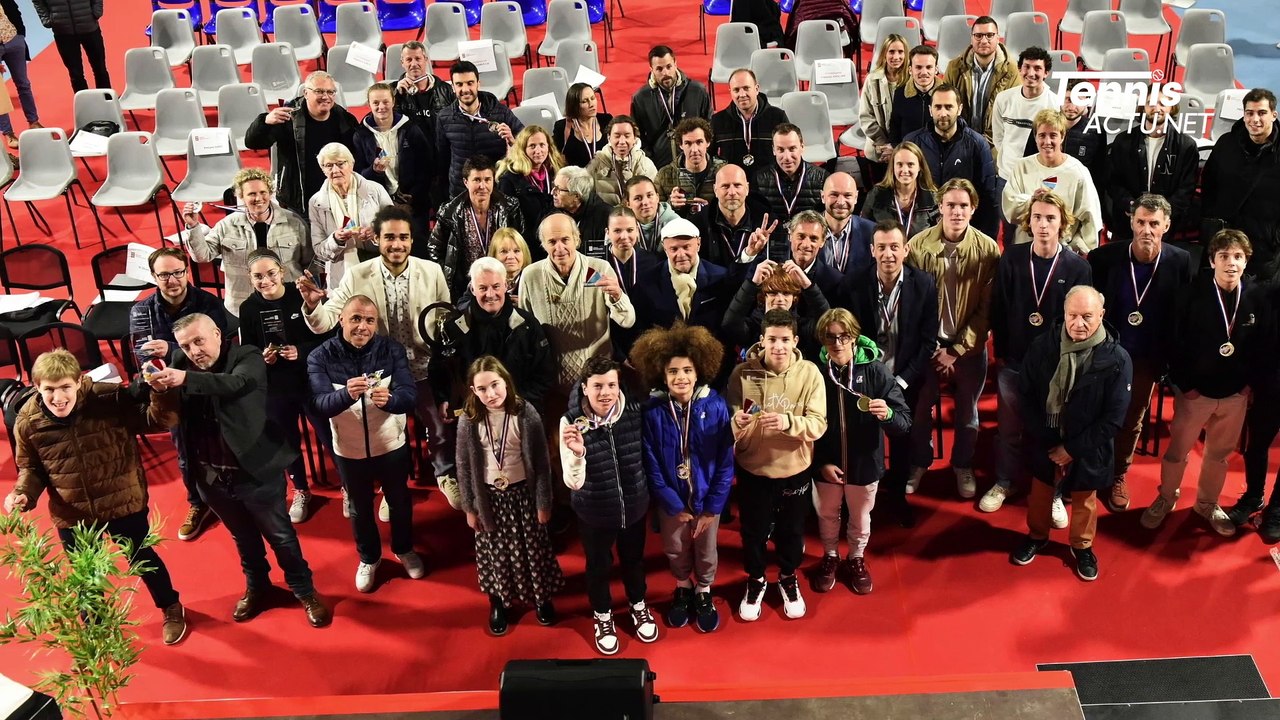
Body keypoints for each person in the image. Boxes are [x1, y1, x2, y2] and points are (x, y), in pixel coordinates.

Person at [145, 314, 330, 627]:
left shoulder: (247, 356)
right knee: (243, 539)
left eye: (199, 340)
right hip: (210, 478)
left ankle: (305, 591)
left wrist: (185, 379)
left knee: (282, 539)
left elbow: (235, 384)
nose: (193, 351)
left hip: (257, 473)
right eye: (186, 346)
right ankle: (258, 587)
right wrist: (152, 384)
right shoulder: (178, 362)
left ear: (218, 334)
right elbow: (154, 404)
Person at [6, 349, 185, 644]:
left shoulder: (108, 398)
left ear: (79, 381)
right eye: (49, 389)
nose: (58, 397)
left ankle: (171, 607)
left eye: (65, 386)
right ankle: (97, 630)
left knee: (141, 557)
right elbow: (32, 467)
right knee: (84, 576)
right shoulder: (27, 422)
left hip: (121, 500)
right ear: (36, 387)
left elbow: (160, 421)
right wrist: (23, 493)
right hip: (72, 511)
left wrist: (161, 392)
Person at [300, 205, 454, 489]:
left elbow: (444, 320)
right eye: (390, 237)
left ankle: (444, 475)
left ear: (411, 240)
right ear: (377, 240)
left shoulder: (432, 271)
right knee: (385, 435)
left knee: (440, 429)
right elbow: (327, 321)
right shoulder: (357, 275)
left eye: (403, 237)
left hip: (423, 368)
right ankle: (390, 485)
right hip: (378, 374)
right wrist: (313, 306)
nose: (397, 244)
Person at [1141, 230, 1273, 537]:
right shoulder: (1189, 295)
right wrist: (1185, 386)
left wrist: (1247, 387)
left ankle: (1207, 503)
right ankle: (1166, 497)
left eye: (1237, 257)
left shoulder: (1256, 295)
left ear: (1246, 261)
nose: (1231, 263)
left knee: (1219, 455)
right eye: (1224, 256)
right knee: (1177, 452)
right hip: (1194, 394)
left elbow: (1262, 345)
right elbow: (1173, 343)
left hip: (1235, 395)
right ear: (1212, 260)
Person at [1011, 286, 1132, 582]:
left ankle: (1082, 546)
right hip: (1045, 437)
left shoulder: (1117, 358)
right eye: (1073, 316)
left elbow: (1114, 418)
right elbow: (1024, 395)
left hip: (1089, 444)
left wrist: (1072, 449)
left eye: (1088, 317)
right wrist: (1046, 437)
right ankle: (1037, 536)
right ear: (1063, 314)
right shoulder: (1043, 347)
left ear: (1101, 315)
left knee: (1085, 500)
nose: (1079, 324)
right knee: (1040, 493)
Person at [308, 295, 425, 592]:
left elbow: (410, 396)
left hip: (390, 445)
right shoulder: (320, 356)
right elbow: (320, 405)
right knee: (360, 508)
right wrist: (345, 395)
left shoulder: (391, 350)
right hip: (349, 450)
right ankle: (369, 558)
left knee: (399, 502)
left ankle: (404, 548)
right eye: (356, 319)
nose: (362, 326)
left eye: (370, 320)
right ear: (341, 320)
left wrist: (392, 401)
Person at [986, 191, 1091, 518]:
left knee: (1052, 432)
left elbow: (1081, 322)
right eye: (1037, 217)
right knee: (1009, 428)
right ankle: (1005, 481)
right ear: (1028, 222)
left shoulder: (1076, 267)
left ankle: (1054, 493)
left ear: (1063, 223)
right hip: (1015, 362)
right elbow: (999, 309)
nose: (1043, 224)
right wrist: (1001, 353)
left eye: (1050, 218)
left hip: (1057, 367)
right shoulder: (1012, 258)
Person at [1087, 194, 1193, 512]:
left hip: (1146, 358)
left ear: (1167, 226)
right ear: (1131, 222)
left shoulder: (1179, 261)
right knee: (1095, 414)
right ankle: (1090, 472)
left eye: (1154, 224)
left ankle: (1118, 473)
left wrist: (1170, 362)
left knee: (1131, 419)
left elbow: (1181, 315)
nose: (1147, 229)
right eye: (1141, 222)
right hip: (1105, 355)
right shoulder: (1103, 258)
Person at [903, 180, 1001, 502]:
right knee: (920, 408)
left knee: (967, 413)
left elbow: (988, 309)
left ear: (973, 209)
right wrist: (932, 346)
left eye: (963, 206)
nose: (956, 211)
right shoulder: (917, 246)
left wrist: (957, 349)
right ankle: (919, 462)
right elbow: (913, 303)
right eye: (951, 205)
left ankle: (962, 465)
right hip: (929, 346)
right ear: (940, 208)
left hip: (968, 347)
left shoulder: (988, 249)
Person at [631, 323, 733, 633]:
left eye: (687, 370)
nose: (681, 377)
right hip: (672, 502)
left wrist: (712, 508)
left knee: (706, 549)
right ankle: (682, 587)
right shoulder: (653, 412)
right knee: (675, 547)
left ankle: (703, 591)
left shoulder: (715, 406)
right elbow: (652, 465)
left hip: (707, 502)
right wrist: (675, 506)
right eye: (673, 371)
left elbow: (725, 463)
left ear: (698, 371)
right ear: (662, 376)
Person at [727, 309, 826, 621]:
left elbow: (818, 424)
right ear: (762, 340)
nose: (778, 346)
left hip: (794, 469)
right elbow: (729, 421)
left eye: (785, 339)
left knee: (793, 531)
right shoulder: (741, 373)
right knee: (753, 531)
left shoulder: (810, 373)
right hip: (753, 470)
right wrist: (736, 422)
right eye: (772, 339)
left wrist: (787, 422)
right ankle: (756, 579)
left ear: (795, 340)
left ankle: (787, 576)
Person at [457, 355, 563, 636]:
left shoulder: (525, 413)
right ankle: (498, 602)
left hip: (522, 496)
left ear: (506, 381)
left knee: (534, 551)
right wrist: (470, 507)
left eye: (495, 385)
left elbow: (541, 462)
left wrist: (544, 502)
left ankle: (542, 599)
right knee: (495, 554)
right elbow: (464, 467)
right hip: (488, 499)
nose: (490, 394)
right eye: (482, 389)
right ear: (473, 391)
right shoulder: (469, 420)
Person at [131, 248, 231, 543]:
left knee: (226, 445)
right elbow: (143, 357)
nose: (172, 280)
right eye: (164, 275)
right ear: (154, 277)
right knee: (186, 453)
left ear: (187, 271)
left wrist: (171, 351)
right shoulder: (141, 311)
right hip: (172, 393)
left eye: (177, 272)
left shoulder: (209, 303)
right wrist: (179, 358)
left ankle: (232, 498)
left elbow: (218, 352)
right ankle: (197, 503)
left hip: (210, 385)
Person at [560, 357, 658, 655]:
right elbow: (573, 483)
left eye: (611, 385)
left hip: (634, 505)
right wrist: (578, 454)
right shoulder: (570, 422)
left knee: (634, 561)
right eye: (598, 386)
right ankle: (603, 615)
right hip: (594, 509)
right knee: (599, 567)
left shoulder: (633, 411)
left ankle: (638, 605)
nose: (605, 393)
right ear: (585, 388)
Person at [811, 308, 911, 595]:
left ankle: (856, 557)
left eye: (844, 336)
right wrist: (819, 462)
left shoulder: (876, 371)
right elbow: (806, 425)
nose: (837, 343)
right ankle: (830, 555)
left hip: (864, 465)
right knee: (827, 514)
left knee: (860, 518)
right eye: (830, 337)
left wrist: (888, 413)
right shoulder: (815, 372)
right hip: (826, 465)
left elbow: (904, 423)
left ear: (855, 337)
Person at [845, 220, 938, 526]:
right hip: (865, 379)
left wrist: (901, 381)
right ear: (872, 250)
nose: (888, 254)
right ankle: (860, 503)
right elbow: (850, 337)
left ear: (905, 249)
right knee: (863, 441)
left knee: (902, 441)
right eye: (881, 247)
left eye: (894, 247)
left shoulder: (923, 283)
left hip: (905, 377)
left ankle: (897, 497)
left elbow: (927, 342)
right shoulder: (856, 283)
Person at [238, 249, 332, 524]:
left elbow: (327, 339)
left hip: (309, 378)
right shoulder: (248, 309)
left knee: (328, 434)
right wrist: (262, 358)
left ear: (281, 272)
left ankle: (349, 485)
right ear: (250, 278)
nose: (265, 280)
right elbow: (249, 351)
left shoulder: (299, 295)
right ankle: (301, 488)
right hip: (276, 385)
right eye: (258, 276)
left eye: (270, 274)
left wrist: (299, 352)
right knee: (286, 441)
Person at [518, 212, 636, 416]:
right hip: (553, 387)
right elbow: (525, 333)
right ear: (543, 244)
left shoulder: (598, 268)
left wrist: (617, 296)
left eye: (565, 240)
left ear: (577, 239)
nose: (559, 248)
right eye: (552, 241)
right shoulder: (531, 276)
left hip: (598, 385)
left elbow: (627, 320)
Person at [433, 257, 555, 445]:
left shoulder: (527, 325)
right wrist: (444, 398)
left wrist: (512, 402)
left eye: (496, 286)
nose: (490, 294)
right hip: (474, 418)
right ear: (472, 289)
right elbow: (440, 369)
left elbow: (545, 374)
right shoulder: (453, 328)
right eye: (482, 288)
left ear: (506, 285)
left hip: (519, 414)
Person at [181, 168, 311, 316]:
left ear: (270, 193)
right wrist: (193, 227)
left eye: (263, 192)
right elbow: (202, 256)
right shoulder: (226, 225)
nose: (259, 198)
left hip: (288, 301)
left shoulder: (294, 222)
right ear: (241, 196)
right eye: (252, 194)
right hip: (242, 305)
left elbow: (309, 263)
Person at [245, 71, 357, 218]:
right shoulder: (287, 118)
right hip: (297, 200)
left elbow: (355, 157)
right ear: (305, 93)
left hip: (336, 197)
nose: (326, 96)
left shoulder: (345, 119)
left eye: (330, 92)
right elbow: (252, 142)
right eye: (319, 91)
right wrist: (264, 121)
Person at [1201, 88, 1280, 280]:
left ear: (1273, 115)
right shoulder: (1227, 143)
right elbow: (1209, 184)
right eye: (1249, 113)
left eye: (1262, 113)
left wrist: (1275, 237)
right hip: (1224, 242)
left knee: (1260, 305)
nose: (1255, 119)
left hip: (1265, 250)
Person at [903, 84, 999, 237]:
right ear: (930, 110)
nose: (942, 113)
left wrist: (988, 240)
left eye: (948, 107)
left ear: (959, 109)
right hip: (921, 231)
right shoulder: (913, 143)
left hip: (963, 228)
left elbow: (988, 198)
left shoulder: (977, 144)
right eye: (938, 107)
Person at [1002, 109, 1103, 253]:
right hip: (1025, 248)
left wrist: (1082, 250)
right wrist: (1032, 201)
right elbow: (1009, 209)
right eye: (1042, 135)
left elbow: (1091, 217)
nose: (1047, 142)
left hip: (1062, 252)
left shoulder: (1078, 172)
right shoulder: (1022, 166)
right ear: (1035, 137)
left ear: (1062, 137)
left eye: (1053, 135)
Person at [429, 155, 525, 299]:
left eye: (487, 180)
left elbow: (521, 246)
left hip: (503, 286)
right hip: (464, 289)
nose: (482, 186)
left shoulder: (510, 208)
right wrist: (448, 278)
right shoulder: (449, 213)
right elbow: (434, 249)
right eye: (477, 180)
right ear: (466, 182)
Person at [1105, 99, 1200, 242]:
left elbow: (1186, 189)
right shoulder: (1123, 141)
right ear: (1143, 107)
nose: (1157, 108)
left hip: (1167, 229)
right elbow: (1113, 181)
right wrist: (1131, 206)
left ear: (1172, 108)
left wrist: (1162, 214)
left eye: (1162, 103)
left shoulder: (1186, 146)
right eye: (1151, 102)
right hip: (1127, 224)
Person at [307, 142, 393, 289]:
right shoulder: (316, 202)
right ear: (323, 170)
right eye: (329, 166)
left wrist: (376, 232)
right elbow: (319, 250)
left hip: (379, 268)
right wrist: (336, 240)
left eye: (340, 164)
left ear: (351, 164)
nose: (335, 170)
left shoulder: (375, 190)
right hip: (342, 277)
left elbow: (395, 229)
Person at [630, 217, 733, 336]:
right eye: (674, 249)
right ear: (664, 248)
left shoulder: (720, 277)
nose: (681, 255)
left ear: (698, 244)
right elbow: (640, 329)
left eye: (686, 247)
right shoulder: (647, 281)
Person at [436, 60, 523, 196]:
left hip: (495, 188)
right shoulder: (444, 117)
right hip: (460, 190)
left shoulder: (501, 112)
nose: (465, 90)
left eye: (470, 83)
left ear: (478, 84)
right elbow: (443, 159)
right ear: (452, 87)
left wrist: (512, 140)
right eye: (459, 84)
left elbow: (525, 142)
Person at [353, 82, 433, 230]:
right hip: (379, 206)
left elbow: (426, 168)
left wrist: (412, 200)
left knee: (417, 247)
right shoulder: (361, 134)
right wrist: (374, 171)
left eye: (385, 101)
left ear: (393, 101)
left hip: (413, 204)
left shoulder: (410, 129)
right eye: (375, 102)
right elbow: (358, 175)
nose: (381, 107)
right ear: (368, 104)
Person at [723, 256, 830, 360]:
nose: (780, 299)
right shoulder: (752, 326)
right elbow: (730, 324)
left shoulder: (802, 327)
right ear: (763, 296)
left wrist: (806, 284)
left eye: (786, 293)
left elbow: (827, 323)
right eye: (773, 293)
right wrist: (753, 283)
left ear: (794, 297)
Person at [752, 124, 829, 260]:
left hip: (808, 251)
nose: (787, 157)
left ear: (802, 147)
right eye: (781, 150)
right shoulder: (759, 178)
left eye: (792, 149)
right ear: (773, 150)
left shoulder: (822, 178)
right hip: (771, 249)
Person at [630, 45, 712, 169]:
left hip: (695, 162)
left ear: (675, 63)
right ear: (651, 69)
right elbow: (637, 135)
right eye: (659, 69)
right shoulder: (641, 98)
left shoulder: (697, 91)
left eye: (669, 67)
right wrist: (649, 158)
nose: (665, 73)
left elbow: (709, 125)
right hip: (658, 164)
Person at [942, 16, 1018, 145]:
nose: (983, 40)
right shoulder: (954, 67)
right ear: (971, 39)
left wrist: (984, 143)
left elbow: (1013, 113)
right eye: (978, 35)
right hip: (959, 141)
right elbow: (946, 107)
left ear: (997, 39)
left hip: (995, 144)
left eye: (989, 35)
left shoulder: (1011, 70)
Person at [1021, 79, 1107, 191]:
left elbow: (1099, 174)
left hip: (1078, 193)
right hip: (1044, 192)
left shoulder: (1096, 130)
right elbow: (1028, 161)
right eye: (1068, 100)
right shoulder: (1043, 124)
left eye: (1078, 101)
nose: (1071, 107)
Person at [991, 47, 1056, 182]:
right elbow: (998, 137)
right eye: (1027, 67)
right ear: (1020, 69)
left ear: (1046, 73)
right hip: (1006, 177)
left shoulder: (1054, 104)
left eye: (1037, 68)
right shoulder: (1003, 99)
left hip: (1038, 178)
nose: (1031, 73)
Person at [497, 125, 565, 246]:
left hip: (554, 240)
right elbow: (507, 221)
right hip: (526, 244)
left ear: (549, 147)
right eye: (532, 146)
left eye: (542, 145)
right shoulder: (509, 180)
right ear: (523, 149)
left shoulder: (556, 173)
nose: (538, 151)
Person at [711, 69, 789, 170]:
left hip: (769, 181)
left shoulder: (777, 117)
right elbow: (709, 157)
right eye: (736, 90)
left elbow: (788, 152)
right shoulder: (718, 120)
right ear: (730, 92)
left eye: (746, 88)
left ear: (756, 89)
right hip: (733, 183)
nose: (742, 94)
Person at [860, 142, 940, 241]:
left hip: (919, 255)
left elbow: (938, 238)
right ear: (893, 167)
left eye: (910, 164)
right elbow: (863, 229)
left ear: (919, 167)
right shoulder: (877, 195)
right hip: (886, 255)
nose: (905, 170)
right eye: (900, 164)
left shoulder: (933, 198)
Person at [691, 163, 763, 269]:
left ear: (747, 188)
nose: (732, 192)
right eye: (725, 186)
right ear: (715, 190)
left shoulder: (763, 223)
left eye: (737, 185)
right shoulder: (698, 224)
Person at [858, 34, 909, 183]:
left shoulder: (911, 80)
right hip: (878, 151)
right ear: (884, 54)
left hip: (904, 150)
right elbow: (865, 117)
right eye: (891, 52)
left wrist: (896, 147)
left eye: (900, 52)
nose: (896, 56)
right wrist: (884, 144)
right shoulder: (872, 80)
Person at [655, 118, 726, 219]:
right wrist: (670, 205)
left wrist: (711, 209)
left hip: (714, 231)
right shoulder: (664, 175)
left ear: (708, 142)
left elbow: (735, 206)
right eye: (688, 143)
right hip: (679, 231)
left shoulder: (723, 172)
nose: (694, 149)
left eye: (699, 142)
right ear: (680, 145)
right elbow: (654, 214)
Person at [584, 115, 660, 207]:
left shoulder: (646, 165)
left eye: (627, 136)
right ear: (609, 138)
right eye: (617, 136)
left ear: (635, 138)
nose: (622, 141)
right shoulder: (596, 165)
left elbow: (654, 201)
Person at [33, 0, 107, 92]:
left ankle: (107, 100)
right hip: (63, 33)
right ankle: (85, 104)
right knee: (76, 74)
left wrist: (96, 12)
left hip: (90, 28)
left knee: (100, 68)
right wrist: (47, 19)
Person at [0, 0, 41, 148]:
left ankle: (34, 121)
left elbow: (14, 10)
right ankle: (8, 132)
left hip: (13, 41)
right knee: (0, 93)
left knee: (24, 84)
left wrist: (20, 35)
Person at [819, 172, 875, 278]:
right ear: (823, 196)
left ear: (856, 197)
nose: (840, 202)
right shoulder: (803, 230)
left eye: (847, 195)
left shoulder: (872, 232)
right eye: (834, 194)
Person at [553, 165, 614, 258]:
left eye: (559, 189)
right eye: (554, 186)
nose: (553, 192)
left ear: (576, 196)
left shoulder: (606, 217)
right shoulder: (551, 213)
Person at [887, 45, 939, 144]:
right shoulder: (900, 93)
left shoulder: (947, 95)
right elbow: (895, 128)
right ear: (910, 70)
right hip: (908, 152)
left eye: (929, 67)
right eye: (918, 67)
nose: (924, 72)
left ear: (936, 69)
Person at [553, 83, 612, 168]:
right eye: (584, 101)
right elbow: (555, 159)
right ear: (574, 105)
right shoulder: (562, 127)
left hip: (605, 178)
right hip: (576, 179)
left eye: (593, 98)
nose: (591, 104)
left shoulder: (607, 120)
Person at [625, 176, 682, 253]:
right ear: (628, 204)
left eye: (649, 195)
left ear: (657, 198)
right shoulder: (619, 224)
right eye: (638, 198)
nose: (645, 202)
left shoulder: (675, 223)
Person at [488, 227, 534, 301]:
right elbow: (464, 304)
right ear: (494, 255)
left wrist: (525, 305)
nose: (511, 257)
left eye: (516, 251)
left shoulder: (534, 280)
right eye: (504, 251)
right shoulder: (484, 278)